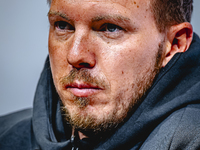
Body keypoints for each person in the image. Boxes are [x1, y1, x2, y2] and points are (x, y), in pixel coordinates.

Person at [1, 0, 200, 149]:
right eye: (63, 25)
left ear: (175, 43)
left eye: (110, 28)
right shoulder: (6, 135)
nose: (75, 55)